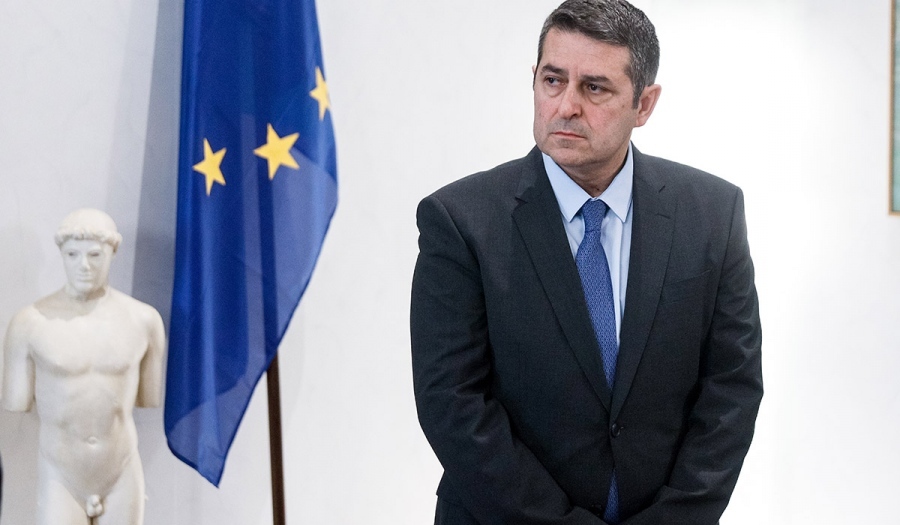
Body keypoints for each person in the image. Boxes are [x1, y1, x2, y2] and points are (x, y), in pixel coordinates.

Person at [410, 1, 763, 523]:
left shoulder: (713, 212)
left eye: (594, 88)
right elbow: (452, 403)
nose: (567, 106)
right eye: (553, 81)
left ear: (644, 104)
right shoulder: (460, 221)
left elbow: (732, 387)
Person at [2, 208, 165, 525]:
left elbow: (148, 397)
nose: (84, 266)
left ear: (112, 252)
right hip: (61, 473)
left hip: (122, 470)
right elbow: (15, 401)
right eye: (73, 254)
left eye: (95, 254)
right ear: (61, 254)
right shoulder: (29, 324)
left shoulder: (144, 321)